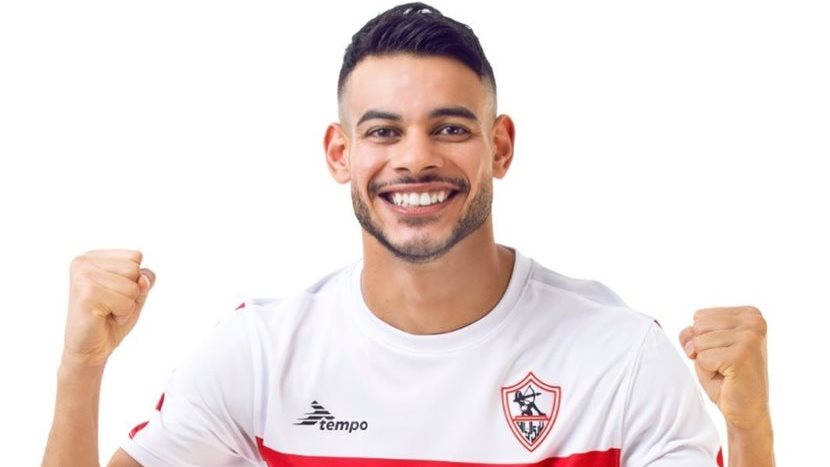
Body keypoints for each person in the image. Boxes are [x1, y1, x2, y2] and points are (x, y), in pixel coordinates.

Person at [42, 3, 774, 466]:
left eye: (449, 128)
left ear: (500, 146)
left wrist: (751, 432)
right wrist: (82, 368)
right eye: (384, 131)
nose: (415, 158)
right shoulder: (262, 354)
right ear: (340, 154)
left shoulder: (619, 356)